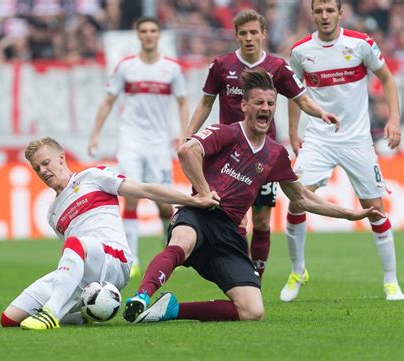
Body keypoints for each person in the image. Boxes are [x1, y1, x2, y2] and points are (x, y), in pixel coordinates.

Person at [122, 68, 383, 324]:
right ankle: (142, 296)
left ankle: (171, 310)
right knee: (182, 240)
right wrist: (203, 193)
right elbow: (187, 151)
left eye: (271, 103)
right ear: (245, 106)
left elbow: (301, 198)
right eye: (259, 102)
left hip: (229, 233)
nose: (266, 108)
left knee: (253, 311)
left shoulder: (275, 154)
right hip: (200, 215)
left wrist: (351, 214)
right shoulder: (226, 132)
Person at [0, 137, 217, 330]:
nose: (43, 171)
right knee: (10, 318)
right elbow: (71, 259)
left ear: (62, 158)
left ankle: (51, 314)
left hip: (115, 260)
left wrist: (192, 200)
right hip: (84, 268)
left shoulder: (93, 176)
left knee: (75, 244)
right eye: (37, 168)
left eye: (46, 163)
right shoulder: (52, 213)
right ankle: (78, 316)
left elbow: (145, 190)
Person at [186, 9, 338, 279]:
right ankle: (240, 273)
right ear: (236, 36)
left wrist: (321, 113)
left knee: (262, 221)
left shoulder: (277, 67)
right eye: (243, 33)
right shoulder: (221, 65)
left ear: (263, 35)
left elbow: (301, 99)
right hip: (228, 158)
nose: (249, 38)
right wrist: (189, 134)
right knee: (237, 219)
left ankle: (256, 277)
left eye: (254, 32)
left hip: (263, 155)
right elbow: (206, 103)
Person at [281, 0, 403, 302]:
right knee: (296, 201)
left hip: (357, 140)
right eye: (318, 11)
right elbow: (293, 93)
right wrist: (294, 133)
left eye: (329, 10)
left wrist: (394, 119)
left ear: (339, 13)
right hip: (319, 139)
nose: (324, 16)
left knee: (374, 207)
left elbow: (387, 79)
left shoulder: (360, 44)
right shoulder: (300, 52)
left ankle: (391, 280)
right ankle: (298, 271)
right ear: (313, 14)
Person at [88, 16, 189, 278]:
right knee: (130, 195)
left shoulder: (172, 69)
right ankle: (131, 258)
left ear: (158, 35)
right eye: (143, 30)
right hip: (131, 140)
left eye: (153, 30)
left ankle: (169, 246)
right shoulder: (126, 67)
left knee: (164, 204)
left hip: (159, 143)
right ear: (138, 35)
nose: (148, 35)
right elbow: (108, 101)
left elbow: (182, 103)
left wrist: (184, 135)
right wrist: (95, 135)